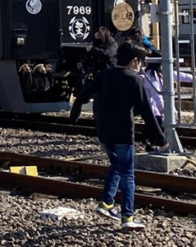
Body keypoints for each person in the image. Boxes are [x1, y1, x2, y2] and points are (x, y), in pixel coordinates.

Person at [70, 44, 166, 230]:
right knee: (128, 174)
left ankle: (106, 203)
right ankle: (127, 218)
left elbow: (83, 95)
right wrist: (160, 138)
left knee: (115, 164)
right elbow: (147, 112)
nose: (141, 65)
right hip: (123, 133)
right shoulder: (133, 80)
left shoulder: (104, 75)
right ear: (134, 61)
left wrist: (74, 115)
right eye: (141, 61)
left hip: (104, 133)